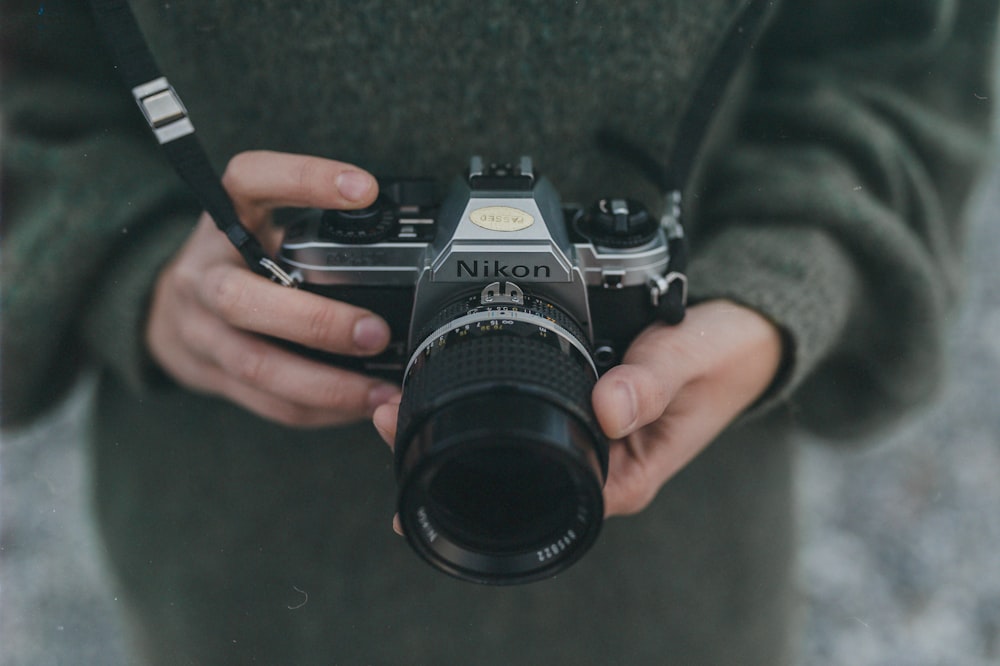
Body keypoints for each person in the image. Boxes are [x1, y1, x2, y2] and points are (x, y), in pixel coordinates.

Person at [2, 1, 996, 663]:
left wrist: (774, 285)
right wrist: (136, 265)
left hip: (671, 595)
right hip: (243, 586)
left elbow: (906, 59)